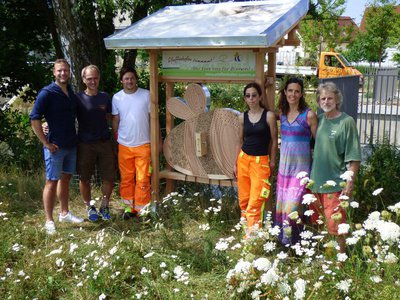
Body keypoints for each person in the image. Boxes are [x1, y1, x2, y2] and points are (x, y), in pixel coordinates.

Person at [30, 59, 84, 235]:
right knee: (51, 182)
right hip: (54, 147)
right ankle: (49, 220)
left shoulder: (70, 93)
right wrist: (45, 142)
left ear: (69, 72)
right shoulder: (47, 93)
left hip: (71, 144)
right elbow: (35, 118)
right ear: (54, 72)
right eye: (60, 71)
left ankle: (64, 213)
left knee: (66, 180)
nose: (63, 73)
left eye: (66, 71)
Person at [309, 82, 361, 253]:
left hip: (336, 184)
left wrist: (349, 182)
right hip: (316, 182)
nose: (326, 101)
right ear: (318, 101)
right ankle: (326, 258)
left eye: (330, 98)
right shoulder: (320, 120)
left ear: (337, 99)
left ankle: (340, 261)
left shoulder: (346, 122)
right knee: (320, 225)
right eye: (322, 98)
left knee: (337, 227)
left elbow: (354, 157)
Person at [275, 78, 318, 245]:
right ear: (285, 92)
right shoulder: (282, 114)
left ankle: (296, 243)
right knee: (283, 207)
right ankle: (284, 243)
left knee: (293, 208)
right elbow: (263, 110)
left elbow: (319, 143)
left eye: (297, 91)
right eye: (290, 90)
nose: (293, 94)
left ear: (301, 94)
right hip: (284, 171)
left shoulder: (309, 115)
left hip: (301, 171)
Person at [234, 82, 278, 237]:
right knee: (244, 201)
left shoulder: (269, 116)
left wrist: (272, 161)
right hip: (243, 160)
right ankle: (245, 233)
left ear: (260, 97)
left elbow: (273, 141)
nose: (251, 99)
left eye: (254, 95)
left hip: (261, 163)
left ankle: (252, 240)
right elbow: (240, 140)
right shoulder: (242, 117)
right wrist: (235, 163)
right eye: (248, 96)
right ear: (245, 99)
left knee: (256, 202)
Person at [76, 65, 115, 221]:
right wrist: (47, 123)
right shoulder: (78, 98)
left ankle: (104, 206)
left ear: (99, 78)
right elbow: (64, 114)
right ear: (84, 80)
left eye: (95, 78)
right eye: (89, 78)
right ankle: (89, 207)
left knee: (109, 177)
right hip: (85, 144)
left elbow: (111, 118)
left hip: (104, 142)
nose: (93, 81)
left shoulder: (105, 97)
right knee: (84, 178)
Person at [112, 67, 151, 220]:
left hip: (144, 143)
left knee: (143, 179)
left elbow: (152, 118)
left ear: (136, 80)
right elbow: (115, 120)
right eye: (126, 78)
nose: (129, 81)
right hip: (124, 144)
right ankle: (129, 208)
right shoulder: (116, 98)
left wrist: (157, 139)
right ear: (122, 81)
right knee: (127, 179)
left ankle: (142, 210)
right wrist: (115, 139)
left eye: (132, 78)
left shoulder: (146, 95)